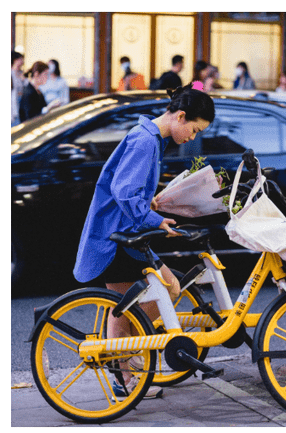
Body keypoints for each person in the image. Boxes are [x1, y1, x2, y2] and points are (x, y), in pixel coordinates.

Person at [73, 82, 215, 398]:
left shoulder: (150, 139)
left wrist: (150, 204)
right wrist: (155, 218)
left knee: (151, 296)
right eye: (194, 129)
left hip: (125, 234)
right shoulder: (145, 142)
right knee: (144, 299)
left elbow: (127, 190)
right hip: (118, 238)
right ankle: (123, 367)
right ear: (180, 116)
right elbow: (124, 192)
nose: (193, 137)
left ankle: (125, 360)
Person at [12, 51, 26, 126]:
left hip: (22, 102)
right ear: (15, 60)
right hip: (15, 101)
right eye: (20, 59)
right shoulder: (11, 73)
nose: (22, 62)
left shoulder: (21, 73)